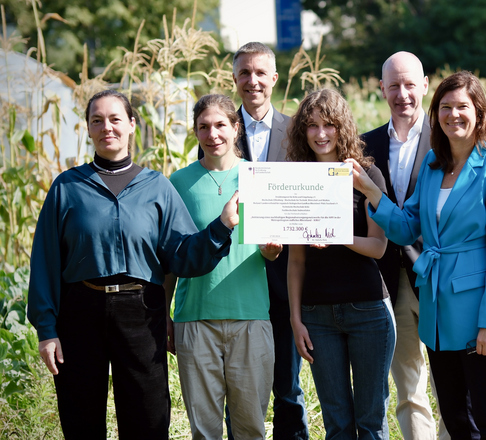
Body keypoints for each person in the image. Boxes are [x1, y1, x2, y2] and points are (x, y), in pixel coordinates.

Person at [27, 90, 240, 439]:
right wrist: (47, 330)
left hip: (142, 313)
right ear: (88, 129)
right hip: (80, 312)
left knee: (147, 416)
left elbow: (183, 254)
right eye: (97, 120)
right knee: (80, 416)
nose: (106, 127)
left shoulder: (157, 187)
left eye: (114, 119)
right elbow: (46, 261)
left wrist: (221, 226)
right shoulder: (67, 187)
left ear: (131, 124)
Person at [349, 71, 486, 439]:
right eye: (445, 107)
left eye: (462, 106)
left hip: (480, 318)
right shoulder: (432, 167)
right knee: (457, 420)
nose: (453, 115)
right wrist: (369, 189)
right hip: (438, 314)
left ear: (479, 112)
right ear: (436, 114)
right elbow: (406, 227)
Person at [206, 41, 309, 440]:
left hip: (285, 277)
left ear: (274, 79)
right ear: (234, 78)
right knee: (239, 387)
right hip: (236, 276)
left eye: (260, 73)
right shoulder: (217, 132)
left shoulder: (297, 131)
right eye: (244, 73)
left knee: (288, 384)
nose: (252, 81)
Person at [165, 94, 281, 439]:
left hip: (251, 317)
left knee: (250, 428)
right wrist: (164, 316)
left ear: (235, 128)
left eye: (220, 125)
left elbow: (270, 252)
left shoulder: (260, 178)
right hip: (194, 318)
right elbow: (172, 258)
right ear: (195, 131)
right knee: (204, 430)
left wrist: (273, 251)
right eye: (203, 127)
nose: (212, 134)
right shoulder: (178, 184)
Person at [286, 88, 396, 440]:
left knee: (371, 422)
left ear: (342, 127)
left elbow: (379, 247)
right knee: (336, 424)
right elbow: (297, 261)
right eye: (312, 126)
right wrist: (295, 319)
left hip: (368, 310)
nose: (321, 134)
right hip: (317, 317)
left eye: (329, 125)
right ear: (302, 132)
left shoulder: (366, 176)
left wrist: (334, 234)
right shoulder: (297, 182)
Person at [361, 51, 449, 440]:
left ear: (425, 86)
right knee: (407, 383)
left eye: (410, 84)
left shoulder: (449, 137)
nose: (402, 93)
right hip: (385, 280)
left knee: (450, 382)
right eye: (393, 85)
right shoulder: (365, 145)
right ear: (381, 88)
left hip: (437, 277)